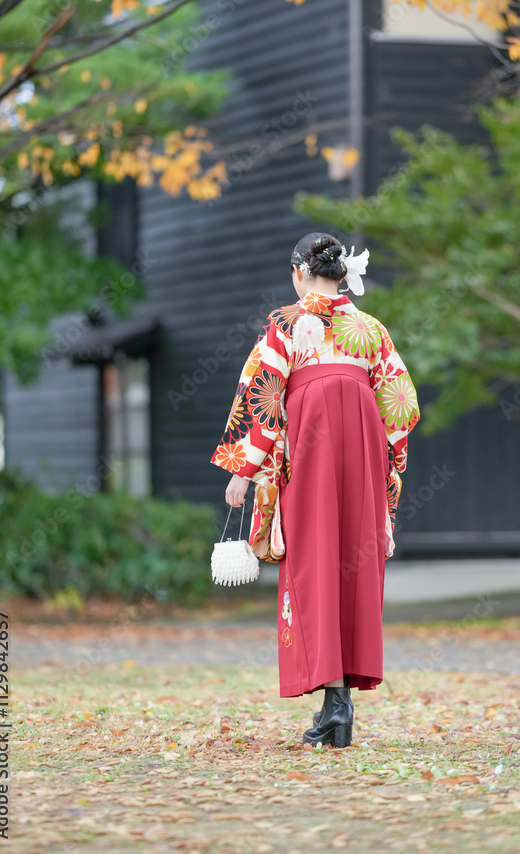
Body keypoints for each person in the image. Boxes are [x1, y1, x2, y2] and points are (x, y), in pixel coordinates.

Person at [210, 232, 420, 748]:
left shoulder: (287, 324)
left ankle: (335, 705)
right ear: (342, 273)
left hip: (311, 444)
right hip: (364, 444)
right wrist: (388, 473)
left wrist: (244, 470)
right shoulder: (372, 329)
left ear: (298, 272)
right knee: (354, 562)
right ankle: (338, 707)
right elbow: (400, 408)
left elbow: (264, 398)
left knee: (314, 562)